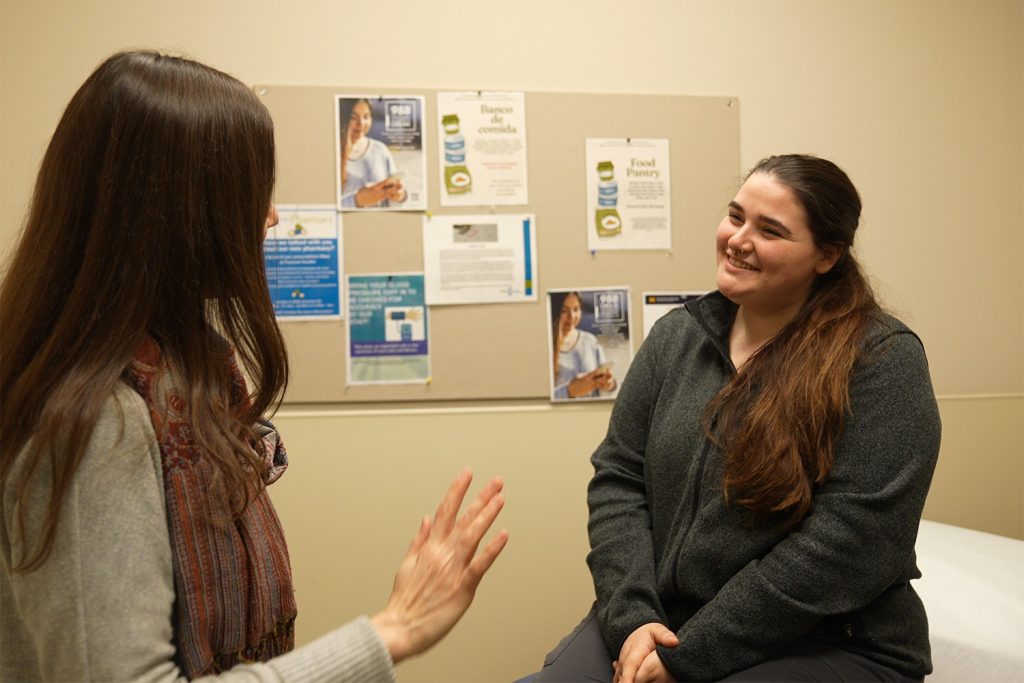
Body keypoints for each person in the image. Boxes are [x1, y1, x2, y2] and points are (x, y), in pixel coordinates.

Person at [0, 50, 507, 682]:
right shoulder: (97, 420)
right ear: (182, 211)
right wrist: (392, 631)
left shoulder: (182, 376)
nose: (269, 216)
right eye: (251, 190)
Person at [534, 155, 941, 682]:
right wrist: (632, 618)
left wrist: (693, 656)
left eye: (769, 230)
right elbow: (619, 480)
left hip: (829, 642)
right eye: (735, 216)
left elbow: (851, 543)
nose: (738, 239)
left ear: (827, 255)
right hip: (663, 621)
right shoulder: (677, 337)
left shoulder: (881, 359)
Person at [338, 97, 407, 209]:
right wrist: (357, 200)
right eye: (353, 117)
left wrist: (399, 196)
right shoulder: (331, 152)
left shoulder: (380, 150)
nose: (361, 123)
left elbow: (393, 205)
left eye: (366, 117)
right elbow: (323, 208)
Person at [551, 291, 617, 400]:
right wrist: (569, 391)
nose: (571, 316)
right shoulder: (546, 345)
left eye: (576, 309)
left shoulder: (589, 340)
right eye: (564, 310)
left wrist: (609, 384)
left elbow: (609, 388)